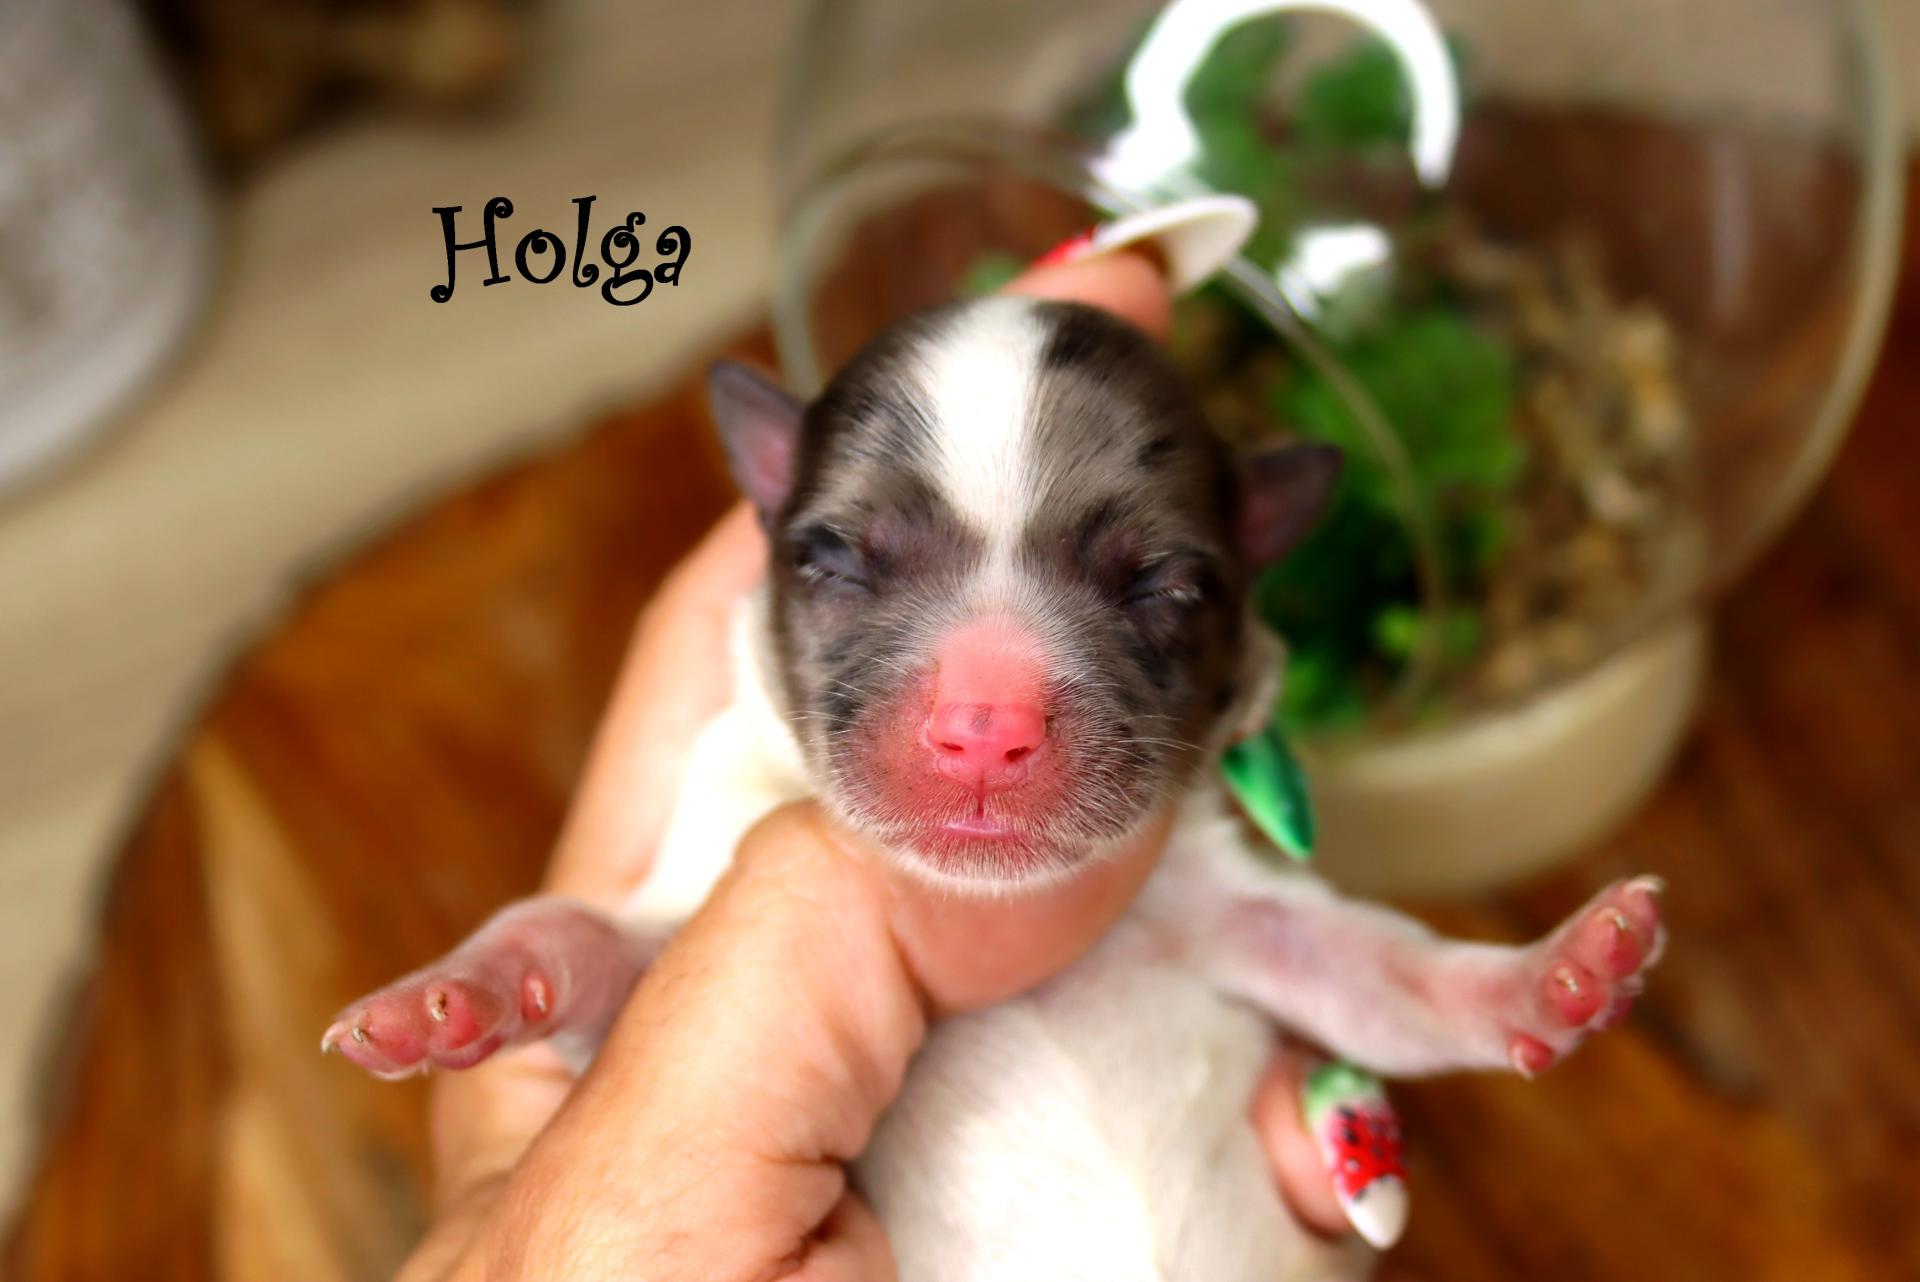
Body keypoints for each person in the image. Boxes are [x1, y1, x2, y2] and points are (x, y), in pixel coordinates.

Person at [394, 248, 1368, 1281]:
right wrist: (545, 972)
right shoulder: (736, 786)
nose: (980, 724)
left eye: (1149, 591)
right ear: (772, 494)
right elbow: (638, 989)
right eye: (852, 570)